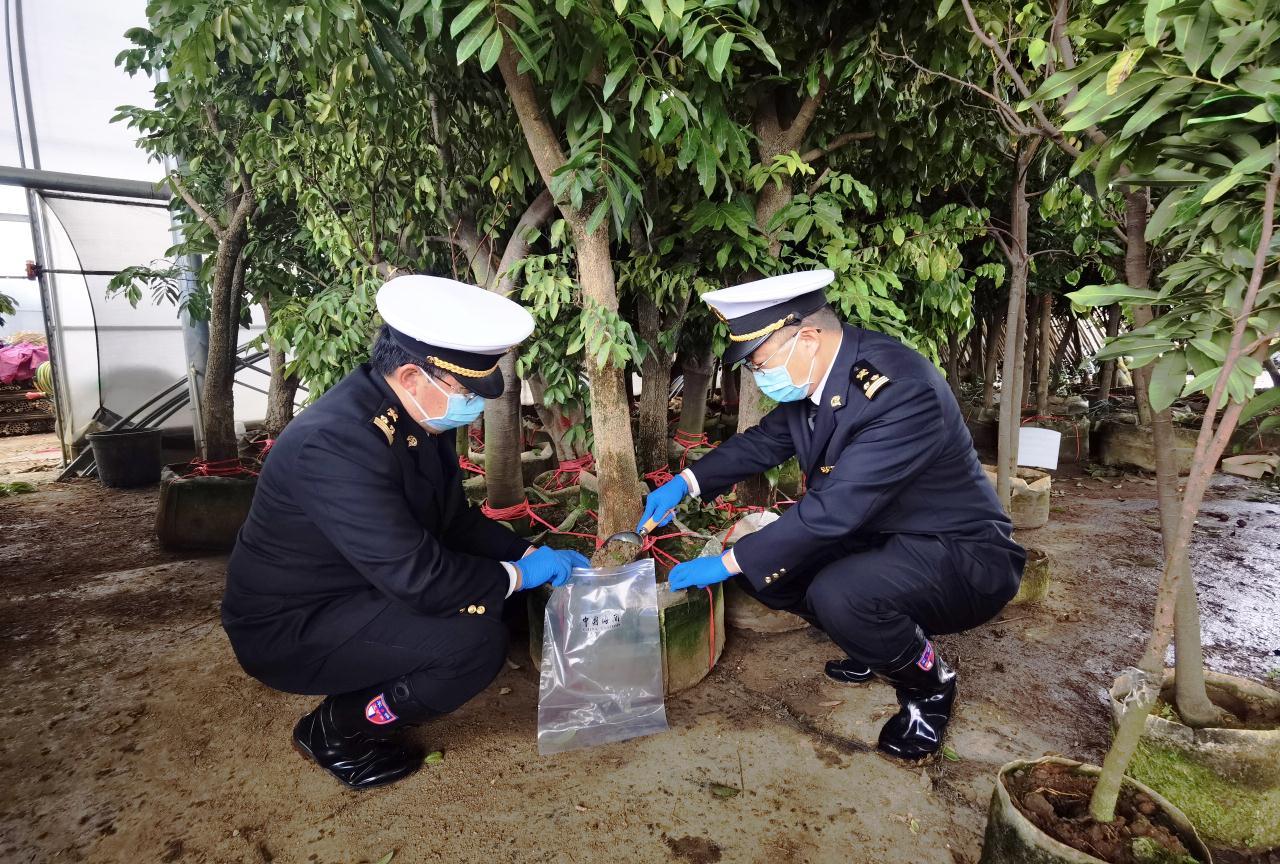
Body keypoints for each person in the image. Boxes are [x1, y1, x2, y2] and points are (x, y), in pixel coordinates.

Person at [638, 269, 1024, 760]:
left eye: (759, 362)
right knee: (768, 574)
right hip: (879, 532)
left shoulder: (902, 392)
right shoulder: (820, 378)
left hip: (959, 551)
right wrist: (685, 483)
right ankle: (875, 644)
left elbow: (832, 512)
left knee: (835, 592)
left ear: (807, 339)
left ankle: (928, 685)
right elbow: (766, 441)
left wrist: (725, 564)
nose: (758, 376)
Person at [222, 275, 589, 790]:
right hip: (295, 624)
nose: (474, 406)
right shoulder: (334, 443)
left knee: (498, 603)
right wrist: (516, 575)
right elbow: (421, 578)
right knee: (473, 645)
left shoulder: (417, 415)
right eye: (466, 392)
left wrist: (530, 553)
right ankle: (337, 729)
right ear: (414, 376)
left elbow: (453, 520)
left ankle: (384, 677)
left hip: (362, 584)